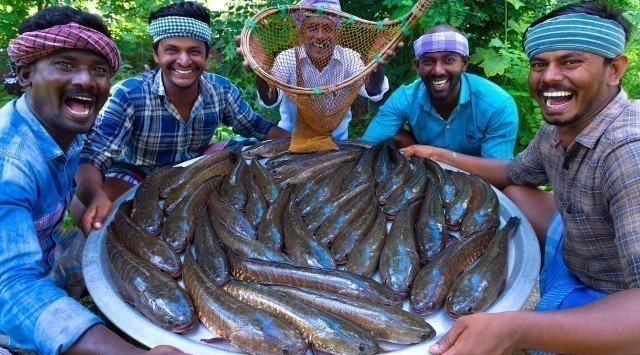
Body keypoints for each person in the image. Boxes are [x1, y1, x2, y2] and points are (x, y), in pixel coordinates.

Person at [403, 2, 640, 355]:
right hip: (577, 240)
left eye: (571, 62)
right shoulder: (558, 127)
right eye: (539, 64)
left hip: (616, 289)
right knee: (513, 192)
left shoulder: (629, 154)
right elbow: (511, 173)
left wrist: (516, 329)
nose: (549, 78)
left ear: (614, 69)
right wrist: (439, 155)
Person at [0, 6, 193, 355]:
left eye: (99, 70)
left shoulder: (59, 128)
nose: (87, 80)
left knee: (138, 249)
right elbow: (10, 288)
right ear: (26, 73)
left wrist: (96, 193)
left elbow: (87, 163)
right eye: (65, 65)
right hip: (9, 294)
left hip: (48, 255)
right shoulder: (9, 163)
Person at [72, 1, 291, 235]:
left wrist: (302, 143)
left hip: (195, 168)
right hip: (140, 172)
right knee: (86, 202)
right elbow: (93, 158)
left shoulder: (221, 90)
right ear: (156, 54)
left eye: (194, 51)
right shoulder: (129, 94)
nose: (184, 61)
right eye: (172, 50)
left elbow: (258, 128)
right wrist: (95, 196)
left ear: (206, 56)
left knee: (254, 158)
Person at [239, 0, 396, 141]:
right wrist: (260, 69)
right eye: (313, 28)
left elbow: (373, 92)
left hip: (337, 144)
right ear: (301, 34)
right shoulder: (286, 58)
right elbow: (269, 99)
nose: (320, 36)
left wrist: (377, 65)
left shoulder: (350, 58)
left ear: (337, 33)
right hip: (289, 142)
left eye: (327, 28)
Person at [362, 24, 519, 159]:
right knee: (395, 139)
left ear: (464, 63)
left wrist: (435, 154)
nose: (438, 71)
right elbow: (365, 147)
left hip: (479, 180)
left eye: (449, 60)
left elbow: (500, 171)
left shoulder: (497, 103)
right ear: (417, 66)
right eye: (428, 61)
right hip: (427, 171)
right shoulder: (406, 97)